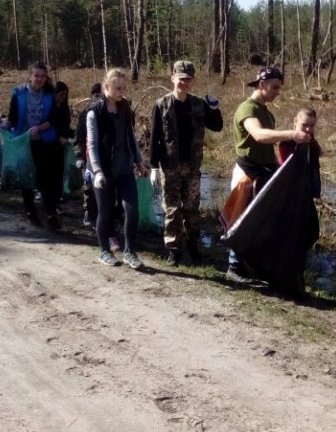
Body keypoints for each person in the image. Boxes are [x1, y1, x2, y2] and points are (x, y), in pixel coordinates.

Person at [226, 66, 310, 283]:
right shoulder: (247, 109)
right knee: (244, 219)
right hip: (248, 171)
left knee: (260, 220)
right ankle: (234, 267)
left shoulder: (266, 112)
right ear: (262, 85)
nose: (277, 92)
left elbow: (268, 146)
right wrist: (292, 134)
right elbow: (259, 135)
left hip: (264, 170)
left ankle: (252, 265)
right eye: (274, 87)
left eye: (279, 87)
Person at [149, 59, 223, 266]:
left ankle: (193, 245)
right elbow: (155, 136)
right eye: (181, 79)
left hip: (192, 167)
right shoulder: (161, 105)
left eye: (188, 79)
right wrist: (153, 166)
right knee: (172, 210)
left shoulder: (199, 104)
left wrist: (215, 108)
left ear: (193, 81)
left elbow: (217, 126)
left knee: (191, 209)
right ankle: (174, 250)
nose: (184, 83)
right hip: (170, 167)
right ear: (173, 78)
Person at [86, 68, 148, 269]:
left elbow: (131, 136)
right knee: (105, 212)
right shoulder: (95, 112)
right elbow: (92, 144)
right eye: (117, 88)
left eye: (123, 87)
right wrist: (97, 171)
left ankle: (130, 252)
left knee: (132, 210)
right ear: (106, 87)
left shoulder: (125, 107)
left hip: (125, 168)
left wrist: (139, 161)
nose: (121, 91)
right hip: (103, 169)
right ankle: (104, 250)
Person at [7, 61, 61, 230]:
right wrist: (3, 126)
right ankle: (31, 211)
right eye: (36, 75)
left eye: (43, 76)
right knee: (26, 177)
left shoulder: (50, 95)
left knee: (45, 179)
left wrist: (39, 128)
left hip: (43, 141)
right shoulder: (18, 94)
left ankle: (51, 214)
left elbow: (52, 120)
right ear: (30, 76)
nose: (39, 79)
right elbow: (13, 118)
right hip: (24, 141)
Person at [278, 107, 322, 198]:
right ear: (295, 121)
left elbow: (319, 154)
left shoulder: (312, 143)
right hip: (289, 191)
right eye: (304, 125)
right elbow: (285, 171)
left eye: (312, 125)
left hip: (307, 190)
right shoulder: (287, 143)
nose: (308, 129)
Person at [74, 82, 102, 227]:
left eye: (101, 95)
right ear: (91, 96)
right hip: (88, 156)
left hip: (104, 157)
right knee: (89, 188)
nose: (98, 98)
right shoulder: (85, 114)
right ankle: (89, 212)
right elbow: (79, 138)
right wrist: (80, 157)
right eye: (96, 95)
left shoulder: (107, 112)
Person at [52, 81, 73, 206]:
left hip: (63, 145)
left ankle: (58, 196)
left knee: (60, 172)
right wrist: (59, 137)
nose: (63, 97)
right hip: (51, 143)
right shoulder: (50, 109)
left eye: (65, 95)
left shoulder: (65, 108)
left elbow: (66, 126)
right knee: (53, 172)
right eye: (60, 94)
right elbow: (50, 126)